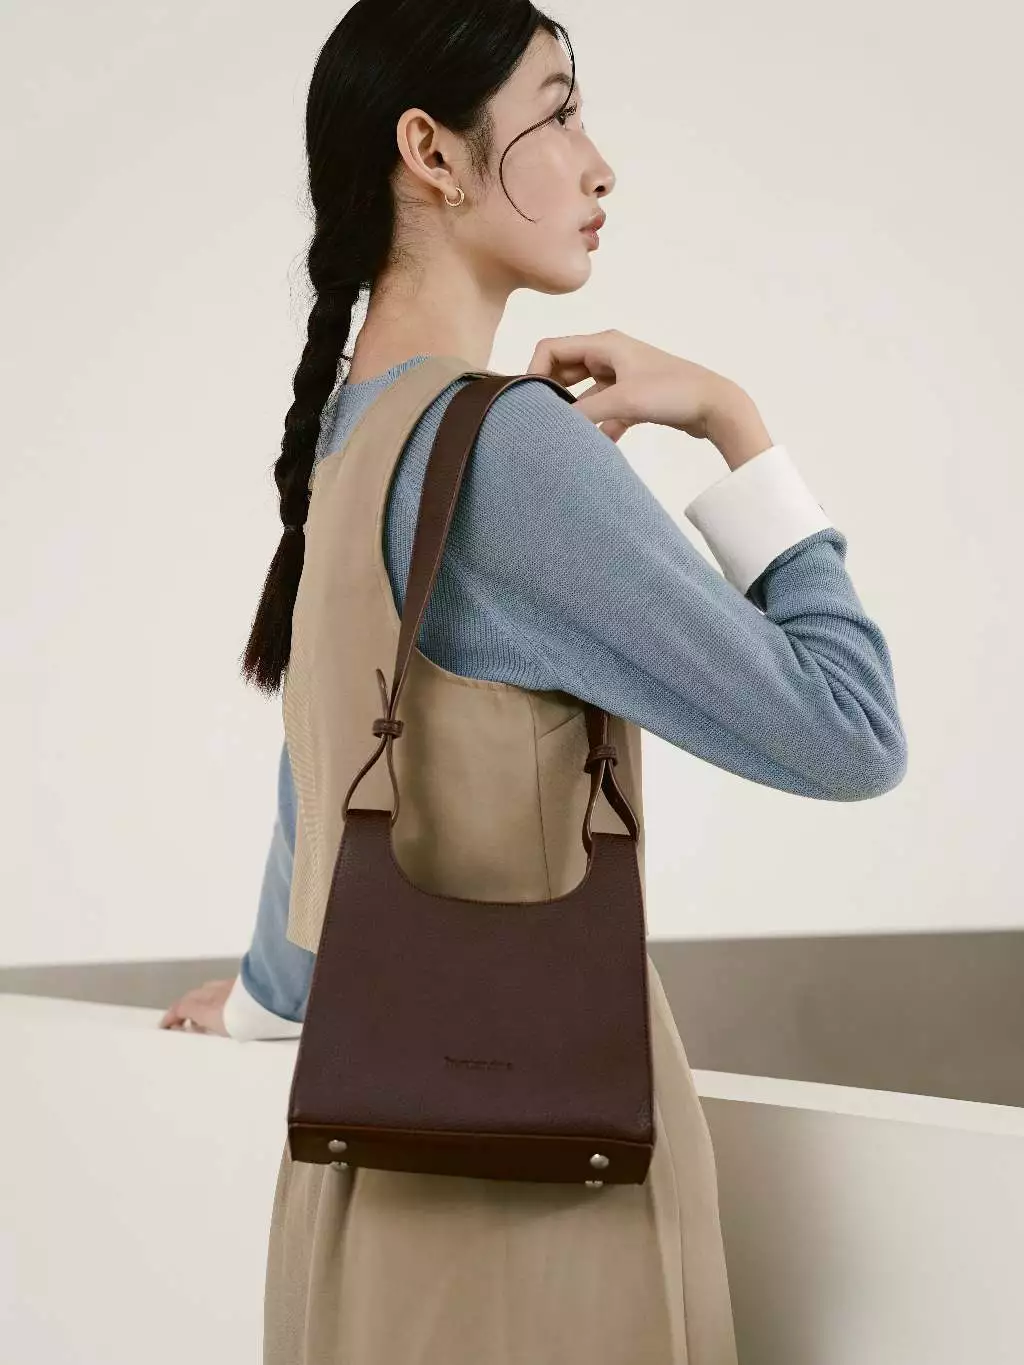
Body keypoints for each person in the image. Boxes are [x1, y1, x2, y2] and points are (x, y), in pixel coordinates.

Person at [160, 2, 908, 1360]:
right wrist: (734, 423)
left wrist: (269, 995)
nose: (599, 162)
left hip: (361, 1190)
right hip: (541, 1196)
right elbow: (848, 734)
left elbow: (324, 778)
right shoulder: (508, 454)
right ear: (431, 153)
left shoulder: (349, 435)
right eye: (558, 111)